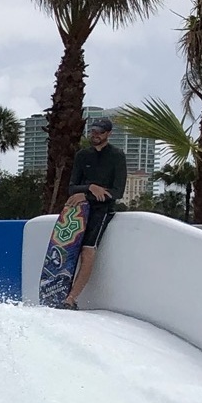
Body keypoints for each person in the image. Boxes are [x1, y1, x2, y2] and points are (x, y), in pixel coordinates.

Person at [62, 116, 128, 309]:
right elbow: (72, 187)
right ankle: (58, 289)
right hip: (78, 209)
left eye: (100, 132)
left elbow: (117, 192)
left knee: (88, 250)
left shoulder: (117, 156)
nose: (95, 135)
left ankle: (71, 298)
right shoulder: (83, 155)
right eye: (93, 131)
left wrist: (87, 195)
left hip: (102, 211)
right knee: (68, 248)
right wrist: (90, 188)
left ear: (108, 134)